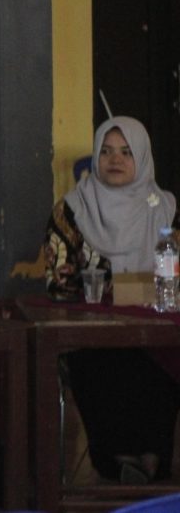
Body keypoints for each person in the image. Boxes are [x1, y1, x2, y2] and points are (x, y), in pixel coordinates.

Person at [44, 115, 180, 483]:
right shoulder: (72, 209)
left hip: (154, 332)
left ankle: (152, 458)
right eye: (105, 151)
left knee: (160, 356)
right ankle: (118, 461)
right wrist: (111, 292)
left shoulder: (166, 210)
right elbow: (58, 283)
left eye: (125, 152)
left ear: (143, 157)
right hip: (93, 335)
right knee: (102, 359)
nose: (114, 160)